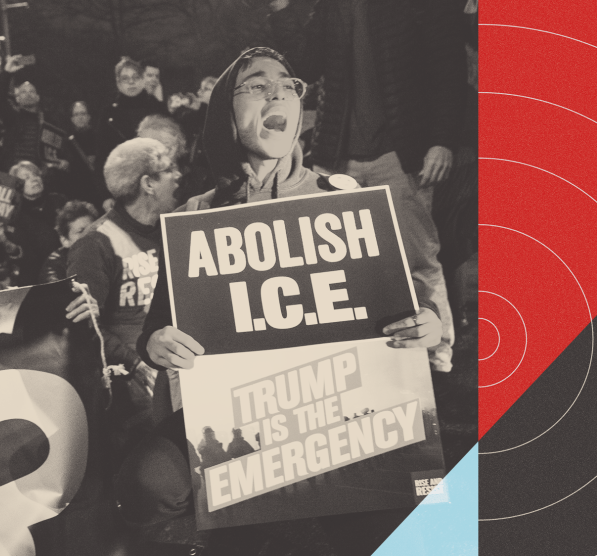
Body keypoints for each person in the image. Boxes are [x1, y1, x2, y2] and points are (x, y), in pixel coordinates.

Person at [115, 48, 442, 547]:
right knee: (149, 481)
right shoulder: (195, 215)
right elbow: (157, 327)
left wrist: (429, 323)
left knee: (404, 521)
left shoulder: (344, 197)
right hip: (236, 421)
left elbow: (412, 299)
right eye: (256, 84)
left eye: (288, 84)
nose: (277, 91)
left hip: (342, 419)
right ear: (227, 111)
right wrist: (156, 343)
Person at [269, 0, 465, 371]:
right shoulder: (330, 8)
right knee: (341, 265)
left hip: (400, 153)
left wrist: (443, 142)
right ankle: (368, 355)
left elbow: (447, 72)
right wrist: (281, 10)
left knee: (417, 259)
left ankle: (437, 356)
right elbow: (302, 67)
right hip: (336, 158)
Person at [66, 137, 181, 459]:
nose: (178, 175)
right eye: (169, 169)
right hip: (135, 399)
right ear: (148, 183)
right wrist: (136, 364)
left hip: (179, 378)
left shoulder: (173, 229)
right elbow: (84, 323)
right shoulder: (96, 244)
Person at [0, 161, 66, 286]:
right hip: (39, 279)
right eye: (26, 178)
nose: (34, 179)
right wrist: (4, 241)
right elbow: (25, 258)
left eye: (36, 175)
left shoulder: (59, 201)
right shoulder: (13, 217)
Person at [97, 57, 169, 167]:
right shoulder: (109, 115)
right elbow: (103, 156)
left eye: (135, 77)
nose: (131, 82)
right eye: (125, 78)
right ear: (118, 83)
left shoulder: (158, 109)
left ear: (142, 80)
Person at [39, 200, 100, 284]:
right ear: (65, 241)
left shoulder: (111, 249)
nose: (90, 234)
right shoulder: (55, 267)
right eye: (81, 231)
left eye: (93, 228)